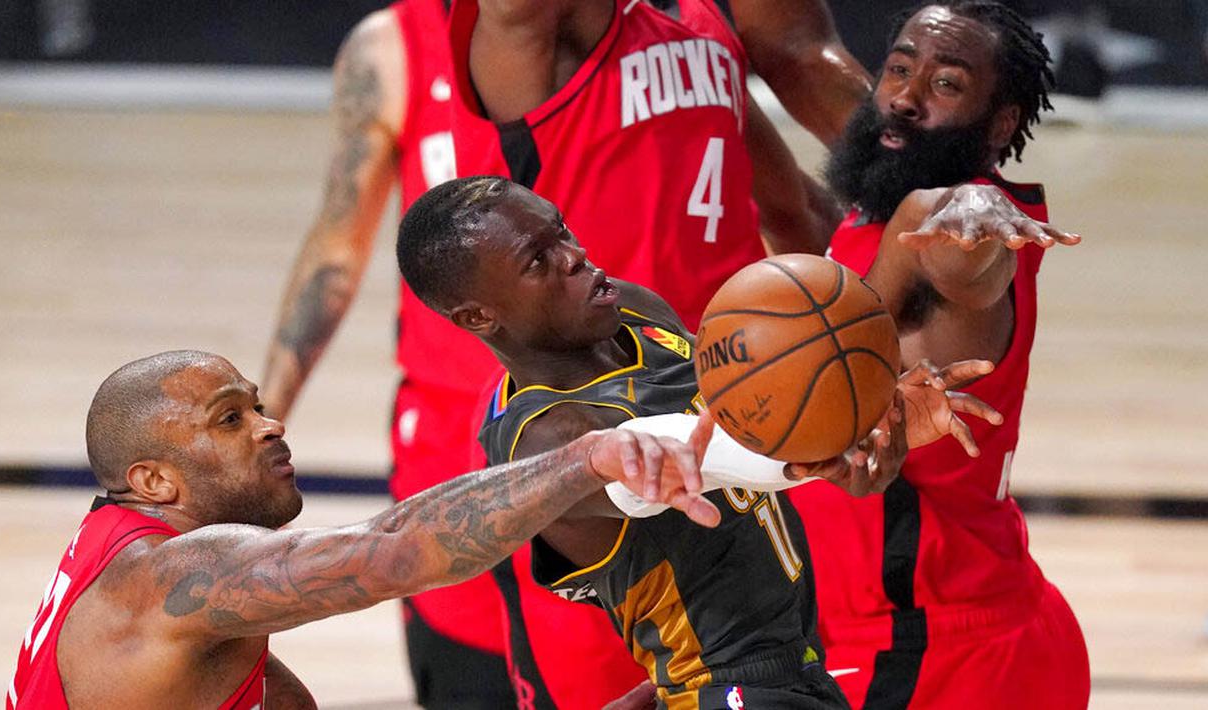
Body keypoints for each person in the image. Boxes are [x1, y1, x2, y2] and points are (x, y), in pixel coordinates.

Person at [395, 176, 1007, 707]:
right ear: (478, 317)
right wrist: (826, 447)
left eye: (561, 231)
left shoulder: (631, 312)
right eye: (538, 261)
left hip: (797, 665)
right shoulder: (544, 440)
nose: (576, 256)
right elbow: (690, 452)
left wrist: (857, 430)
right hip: (724, 683)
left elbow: (757, 417)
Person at [7, 350, 720, 709]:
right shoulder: (173, 579)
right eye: (230, 420)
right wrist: (586, 458)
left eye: (255, 407)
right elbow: (394, 554)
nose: (269, 425)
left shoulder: (126, 546)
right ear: (154, 481)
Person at [788, 2, 1090, 708]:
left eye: (946, 84)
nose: (904, 97)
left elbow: (969, 261)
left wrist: (970, 217)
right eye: (897, 69)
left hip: (934, 653)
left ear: (1001, 123)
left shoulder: (956, 223)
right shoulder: (876, 205)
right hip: (937, 625)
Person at [258, 1, 519, 705]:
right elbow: (337, 246)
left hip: (621, 427)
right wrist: (261, 420)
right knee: (476, 675)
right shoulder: (393, 48)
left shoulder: (649, 37)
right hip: (454, 445)